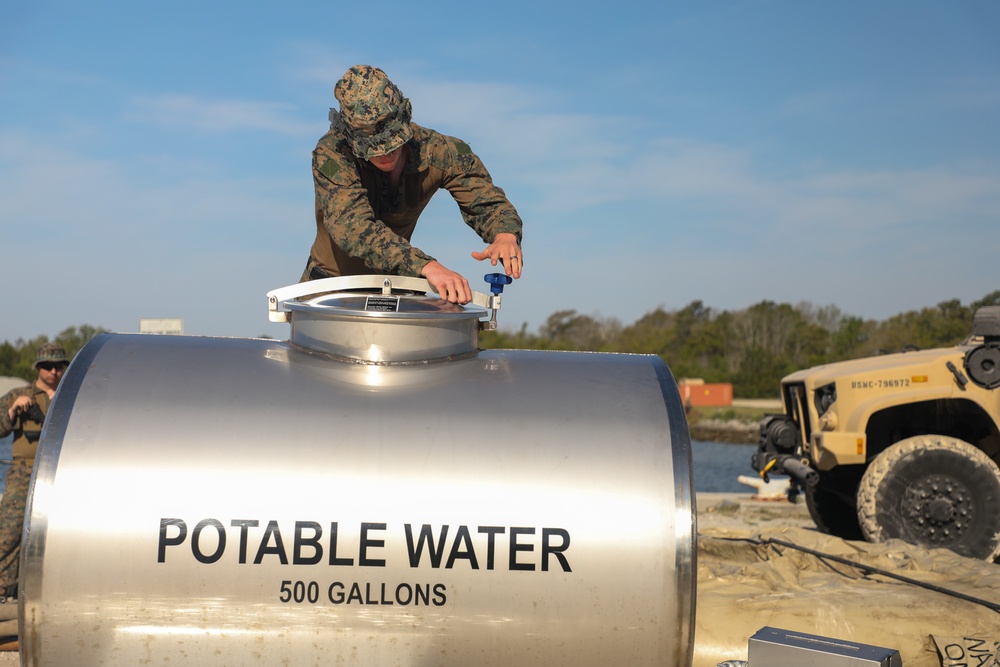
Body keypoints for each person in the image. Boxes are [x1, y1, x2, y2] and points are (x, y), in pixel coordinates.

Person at [302, 64, 523, 304]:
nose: (385, 153)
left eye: (392, 142)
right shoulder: (332, 155)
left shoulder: (439, 151)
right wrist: (426, 266)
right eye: (372, 147)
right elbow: (353, 228)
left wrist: (505, 234)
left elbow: (486, 199)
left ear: (405, 117)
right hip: (329, 288)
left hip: (393, 290)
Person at [0, 342, 70, 599]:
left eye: (59, 366)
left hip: (61, 474)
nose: (53, 372)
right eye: (47, 367)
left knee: (59, 534)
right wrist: (12, 411)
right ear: (38, 368)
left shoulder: (70, 396)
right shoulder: (20, 393)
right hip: (24, 473)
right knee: (10, 532)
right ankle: (2, 591)